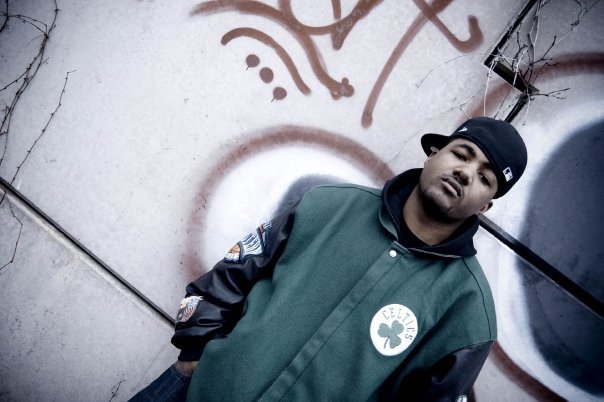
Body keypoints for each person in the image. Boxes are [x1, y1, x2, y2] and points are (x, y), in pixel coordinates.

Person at [129, 117, 528, 401]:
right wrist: (197, 354)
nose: (465, 173)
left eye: (485, 177)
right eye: (462, 154)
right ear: (434, 153)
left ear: (486, 206)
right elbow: (233, 273)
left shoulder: (468, 311)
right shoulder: (327, 206)